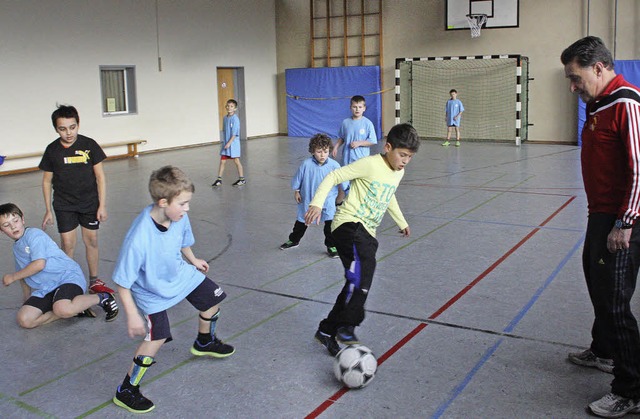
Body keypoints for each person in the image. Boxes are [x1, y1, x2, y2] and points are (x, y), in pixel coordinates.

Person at [112, 166, 235, 413]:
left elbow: (182, 242)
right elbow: (123, 283)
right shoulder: (139, 238)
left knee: (213, 300)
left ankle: (204, 341)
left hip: (178, 273)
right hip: (151, 290)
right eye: (183, 203)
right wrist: (133, 315)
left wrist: (193, 259)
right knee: (156, 337)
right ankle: (127, 389)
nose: (187, 208)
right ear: (163, 202)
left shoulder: (178, 215)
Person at [561, 36, 640, 418]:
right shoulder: (598, 104)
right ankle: (605, 350)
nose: (573, 88)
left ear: (598, 67)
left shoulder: (625, 100)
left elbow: (639, 170)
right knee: (596, 280)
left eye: (576, 78)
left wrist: (625, 223)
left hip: (623, 219)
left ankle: (631, 389)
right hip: (600, 214)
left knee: (615, 301)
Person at [305, 123, 420, 355]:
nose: (405, 160)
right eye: (402, 154)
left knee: (355, 280)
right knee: (365, 266)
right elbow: (335, 175)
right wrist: (317, 202)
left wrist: (401, 221)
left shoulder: (398, 172)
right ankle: (348, 325)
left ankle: (327, 330)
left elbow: (388, 196)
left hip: (367, 231)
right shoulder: (370, 164)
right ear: (388, 147)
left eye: (410, 156)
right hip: (348, 224)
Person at [0, 203, 118, 329]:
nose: (13, 226)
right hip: (46, 288)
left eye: (15, 220)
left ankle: (103, 297)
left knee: (62, 308)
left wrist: (12, 277)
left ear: (22, 219)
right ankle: (77, 309)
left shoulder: (34, 235)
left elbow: (39, 264)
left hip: (67, 278)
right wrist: (26, 297)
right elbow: (23, 274)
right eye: (6, 225)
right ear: (1, 231)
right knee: (25, 320)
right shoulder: (16, 247)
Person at [39, 105, 114, 294]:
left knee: (92, 241)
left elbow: (100, 178)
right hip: (64, 205)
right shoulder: (52, 150)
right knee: (67, 244)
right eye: (63, 129)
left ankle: (94, 281)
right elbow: (47, 181)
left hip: (89, 203)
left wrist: (102, 205)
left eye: (72, 127)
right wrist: (48, 209)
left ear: (78, 125)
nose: (68, 133)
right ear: (56, 129)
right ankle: (68, 282)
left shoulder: (89, 145)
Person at [279, 133, 347, 258]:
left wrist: (343, 196)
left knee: (330, 224)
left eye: (325, 151)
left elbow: (344, 182)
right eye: (319, 151)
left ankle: (331, 245)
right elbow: (298, 179)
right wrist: (297, 191)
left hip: (328, 200)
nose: (322, 155)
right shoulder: (306, 164)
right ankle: (294, 240)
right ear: (312, 151)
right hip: (309, 199)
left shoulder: (334, 166)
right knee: (302, 221)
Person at [332, 95, 378, 165]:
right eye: (354, 107)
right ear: (350, 108)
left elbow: (373, 141)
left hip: (361, 160)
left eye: (360, 107)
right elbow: (342, 137)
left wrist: (359, 143)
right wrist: (336, 147)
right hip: (346, 159)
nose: (357, 109)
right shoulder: (345, 122)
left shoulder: (368, 123)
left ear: (364, 108)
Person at [212, 99, 245, 187]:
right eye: (228, 106)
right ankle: (219, 180)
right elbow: (224, 130)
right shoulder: (225, 118)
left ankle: (242, 179)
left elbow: (234, 133)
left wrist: (229, 143)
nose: (229, 108)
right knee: (222, 161)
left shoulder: (235, 119)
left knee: (236, 161)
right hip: (226, 144)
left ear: (235, 108)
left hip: (232, 145)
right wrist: (225, 142)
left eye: (231, 106)